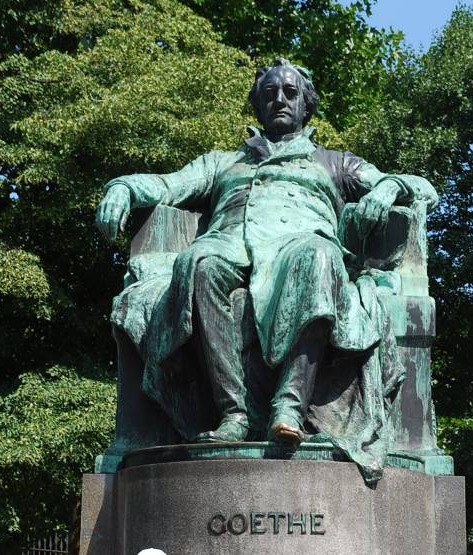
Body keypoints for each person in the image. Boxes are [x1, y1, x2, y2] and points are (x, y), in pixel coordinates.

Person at [96, 59, 438, 477]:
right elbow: (167, 185)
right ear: (257, 105)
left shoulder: (334, 163)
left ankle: (289, 407)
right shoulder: (223, 162)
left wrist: (387, 188)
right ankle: (233, 413)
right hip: (229, 247)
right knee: (196, 262)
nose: (280, 99)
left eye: (290, 93)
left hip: (300, 247)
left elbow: (422, 188)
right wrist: (122, 187)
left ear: (306, 106)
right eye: (270, 93)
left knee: (318, 255)